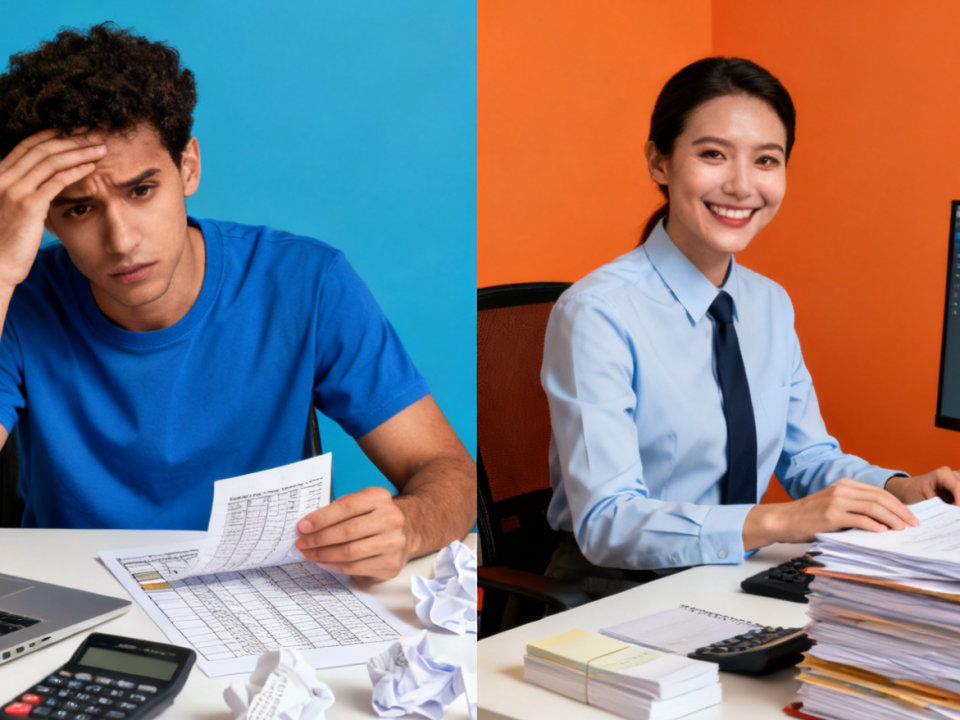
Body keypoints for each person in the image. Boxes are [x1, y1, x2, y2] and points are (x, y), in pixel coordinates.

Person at [0, 24, 476, 580]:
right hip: (77, 594)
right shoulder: (17, 299)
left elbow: (449, 472)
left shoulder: (306, 282)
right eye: (78, 209)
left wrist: (409, 524)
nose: (122, 241)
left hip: (266, 598)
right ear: (42, 214)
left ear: (188, 166)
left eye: (141, 190)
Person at [541, 56, 960, 598]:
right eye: (713, 154)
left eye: (766, 160)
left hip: (732, 573)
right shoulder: (597, 312)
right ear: (659, 162)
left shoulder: (768, 303)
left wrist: (899, 489)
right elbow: (608, 522)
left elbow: (808, 459)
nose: (741, 186)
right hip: (613, 587)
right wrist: (784, 520)